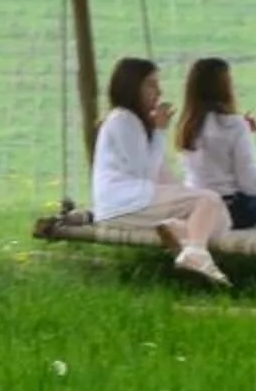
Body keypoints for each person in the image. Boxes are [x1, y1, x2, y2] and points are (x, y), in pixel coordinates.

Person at [91, 57, 231, 286]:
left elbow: (160, 171)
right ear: (131, 87)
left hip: (129, 202)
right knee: (209, 200)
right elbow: (145, 172)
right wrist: (160, 131)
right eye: (151, 84)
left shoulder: (133, 122)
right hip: (125, 200)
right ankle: (195, 253)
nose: (159, 91)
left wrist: (184, 193)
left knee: (219, 218)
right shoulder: (123, 119)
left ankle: (177, 230)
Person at [176, 56, 256, 232]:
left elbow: (215, 158)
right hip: (231, 212)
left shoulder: (186, 126)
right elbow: (251, 184)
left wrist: (247, 134)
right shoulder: (235, 125)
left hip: (195, 208)